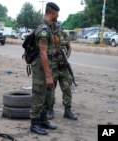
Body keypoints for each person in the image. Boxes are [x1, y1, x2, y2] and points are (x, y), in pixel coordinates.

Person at [29, 2, 60, 135]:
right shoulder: (43, 29)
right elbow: (42, 53)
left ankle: (42, 120)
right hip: (41, 67)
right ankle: (34, 123)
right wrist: (48, 75)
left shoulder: (49, 27)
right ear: (52, 12)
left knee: (48, 94)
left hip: (48, 66)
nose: (58, 15)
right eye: (57, 13)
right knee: (39, 94)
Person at [47, 22, 78, 120]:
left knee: (67, 88)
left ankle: (67, 111)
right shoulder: (48, 34)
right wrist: (53, 52)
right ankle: (50, 110)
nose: (56, 25)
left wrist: (66, 58)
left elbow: (69, 48)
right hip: (53, 67)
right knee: (51, 89)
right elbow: (44, 51)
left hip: (64, 67)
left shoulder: (63, 34)